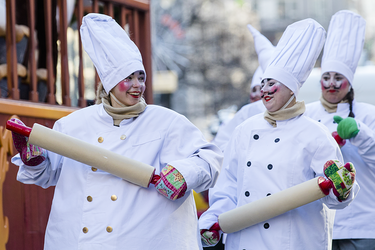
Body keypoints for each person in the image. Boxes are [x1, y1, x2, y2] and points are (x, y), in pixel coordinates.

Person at [10, 13, 223, 250]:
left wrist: (183, 174)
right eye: (128, 78)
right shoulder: (73, 124)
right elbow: (46, 174)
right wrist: (33, 158)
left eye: (140, 77)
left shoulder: (167, 121)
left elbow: (209, 161)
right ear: (110, 82)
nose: (137, 86)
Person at [199, 18, 358, 250]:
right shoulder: (245, 130)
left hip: (293, 242)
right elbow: (228, 186)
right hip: (245, 241)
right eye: (262, 83)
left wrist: (342, 189)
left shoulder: (315, 134)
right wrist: (214, 219)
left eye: (270, 83)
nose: (263, 90)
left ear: (291, 88)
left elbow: (333, 198)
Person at [304, 10, 375, 250]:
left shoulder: (368, 114)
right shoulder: (305, 115)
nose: (332, 83)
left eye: (339, 77)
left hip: (362, 225)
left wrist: (360, 134)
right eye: (327, 76)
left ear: (350, 82)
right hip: (316, 224)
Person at [212, 24, 273, 152]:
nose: (258, 94)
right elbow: (220, 145)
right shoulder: (244, 114)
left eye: (261, 88)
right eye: (254, 90)